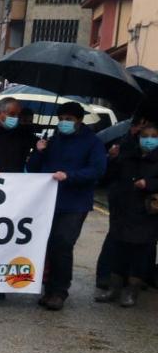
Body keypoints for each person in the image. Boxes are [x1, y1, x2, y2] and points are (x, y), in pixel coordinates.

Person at [27, 101, 108, 311]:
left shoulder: (92, 143)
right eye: (61, 119)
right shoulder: (53, 140)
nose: (64, 123)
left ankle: (59, 291)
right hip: (49, 202)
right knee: (50, 245)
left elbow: (97, 170)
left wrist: (70, 176)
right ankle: (49, 289)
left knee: (63, 244)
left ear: (79, 121)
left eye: (69, 120)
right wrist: (39, 151)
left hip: (75, 203)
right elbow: (34, 168)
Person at [96, 123, 158, 306]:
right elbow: (107, 177)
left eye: (154, 136)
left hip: (147, 213)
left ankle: (132, 291)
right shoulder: (127, 155)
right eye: (145, 135)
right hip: (123, 210)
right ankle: (114, 289)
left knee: (139, 254)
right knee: (118, 251)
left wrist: (149, 184)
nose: (149, 140)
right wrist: (112, 158)